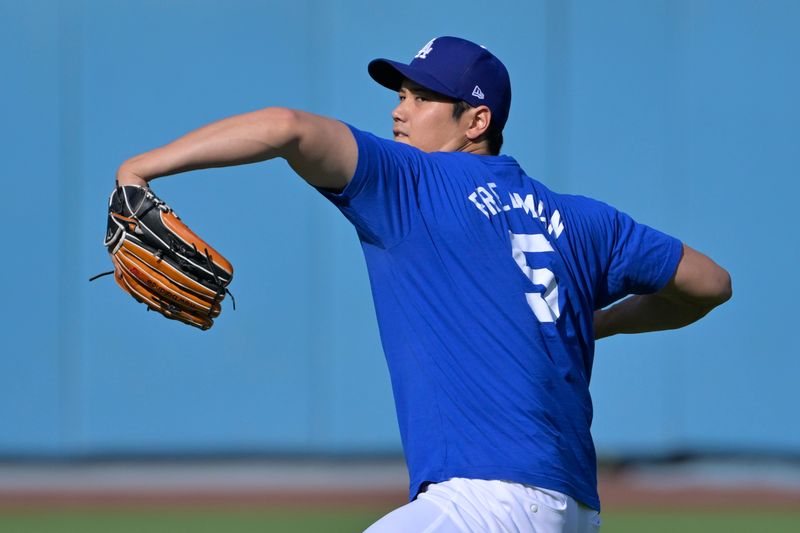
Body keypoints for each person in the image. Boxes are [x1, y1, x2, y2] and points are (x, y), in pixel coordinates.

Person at [116, 36, 731, 532]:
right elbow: (708, 283)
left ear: (477, 119)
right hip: (575, 508)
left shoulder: (412, 184)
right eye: (401, 92)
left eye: (422, 97)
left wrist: (139, 168)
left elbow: (284, 126)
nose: (398, 110)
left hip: (485, 502)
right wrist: (596, 321)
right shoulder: (585, 220)